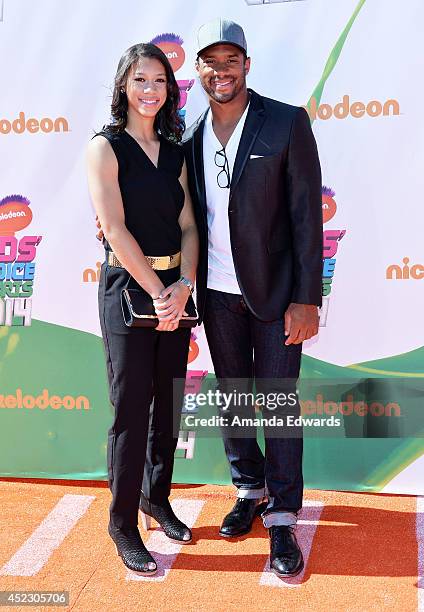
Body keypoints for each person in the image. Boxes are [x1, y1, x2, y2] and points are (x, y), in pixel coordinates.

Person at [182, 19, 322, 578]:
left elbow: (306, 217)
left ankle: (284, 515)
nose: (222, 70)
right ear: (197, 70)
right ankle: (250, 488)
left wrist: (306, 298)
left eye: (231, 59)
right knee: (234, 398)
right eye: (210, 62)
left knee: (279, 403)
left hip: (276, 295)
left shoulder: (286, 122)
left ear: (247, 63)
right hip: (215, 295)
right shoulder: (188, 134)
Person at [87, 42, 198, 576]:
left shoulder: (176, 150)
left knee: (168, 406)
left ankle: (157, 499)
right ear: (123, 87)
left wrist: (185, 286)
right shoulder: (105, 147)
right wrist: (158, 291)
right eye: (140, 80)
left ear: (170, 90)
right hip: (129, 291)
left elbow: (189, 227)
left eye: (160, 81)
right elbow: (113, 228)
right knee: (132, 411)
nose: (150, 90)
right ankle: (122, 523)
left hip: (174, 291)